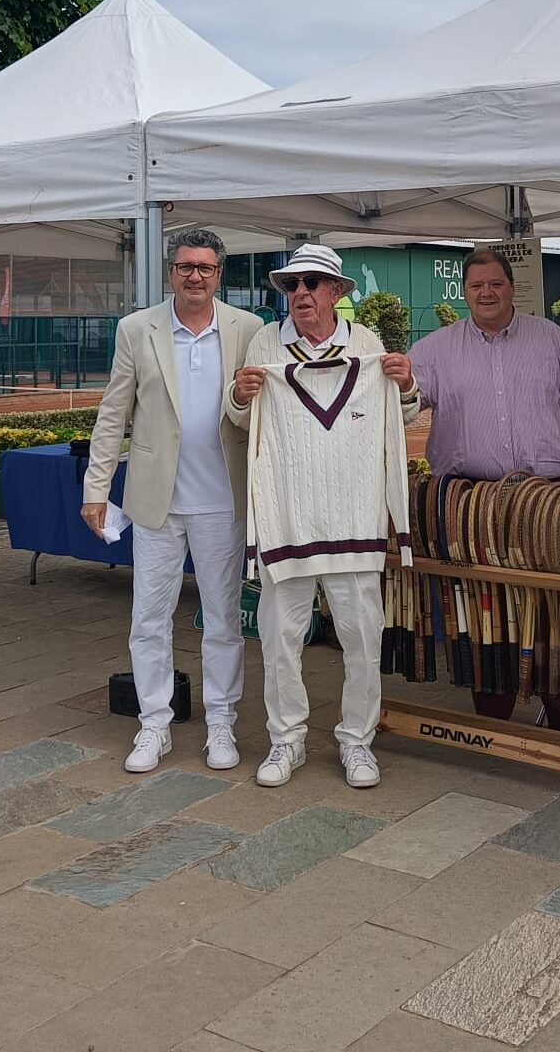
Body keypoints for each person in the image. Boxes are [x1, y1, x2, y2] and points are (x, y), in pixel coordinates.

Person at [388, 245, 560, 729]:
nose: (486, 293)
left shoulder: (551, 339)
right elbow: (402, 405)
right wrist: (402, 385)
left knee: (559, 611)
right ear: (464, 292)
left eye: (495, 283)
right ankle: (493, 720)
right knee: (484, 608)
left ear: (512, 288)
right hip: (473, 504)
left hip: (553, 499)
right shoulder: (434, 349)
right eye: (476, 286)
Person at [227, 243, 418, 790]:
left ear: (336, 291)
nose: (301, 294)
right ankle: (286, 739)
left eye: (312, 283)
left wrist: (405, 384)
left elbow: (401, 412)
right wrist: (239, 395)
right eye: (292, 285)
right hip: (286, 515)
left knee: (363, 637)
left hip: (353, 518)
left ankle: (357, 741)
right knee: (279, 638)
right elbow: (242, 419)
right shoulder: (265, 342)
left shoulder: (367, 344)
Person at [82, 228, 262, 775]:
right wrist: (95, 489)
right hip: (155, 501)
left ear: (219, 274)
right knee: (148, 619)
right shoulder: (137, 329)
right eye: (185, 266)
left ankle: (222, 723)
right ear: (171, 272)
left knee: (224, 621)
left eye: (205, 267)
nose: (195, 276)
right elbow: (113, 414)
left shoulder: (248, 329)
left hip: (222, 501)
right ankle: (154, 724)